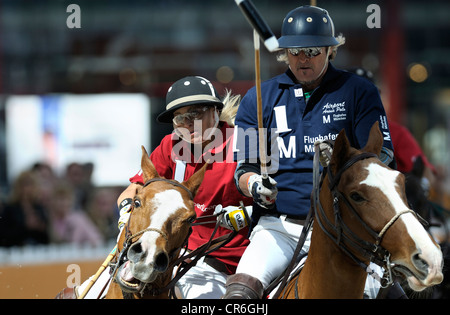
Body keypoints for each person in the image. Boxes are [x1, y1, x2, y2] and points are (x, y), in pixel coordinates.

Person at [226, 5, 396, 299]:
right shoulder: (258, 97)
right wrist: (255, 185)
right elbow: (243, 169)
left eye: (313, 51)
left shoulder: (358, 90)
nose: (303, 59)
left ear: (330, 50)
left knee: (390, 293)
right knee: (239, 293)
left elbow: (382, 156)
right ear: (284, 53)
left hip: (347, 228)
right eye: (295, 52)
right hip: (279, 230)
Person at [57, 76, 253, 299]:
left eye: (196, 114)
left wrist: (249, 212)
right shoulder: (171, 145)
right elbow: (134, 189)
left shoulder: (247, 142)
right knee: (81, 295)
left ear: (215, 111)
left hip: (225, 263)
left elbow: (279, 200)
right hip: (171, 252)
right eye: (180, 118)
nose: (188, 124)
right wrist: (126, 212)